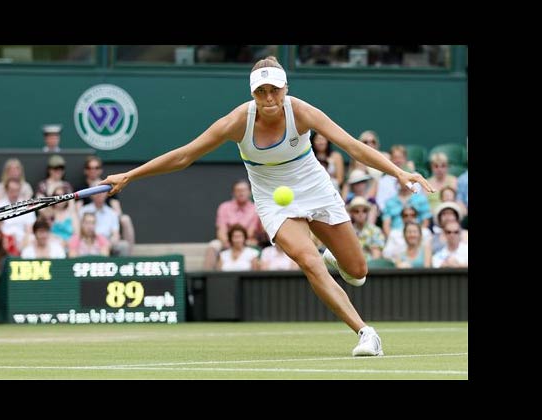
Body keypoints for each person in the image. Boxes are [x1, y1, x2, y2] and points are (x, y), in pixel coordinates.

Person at [98, 56, 435, 357]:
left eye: (275, 90)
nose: (270, 98)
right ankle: (366, 333)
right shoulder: (236, 122)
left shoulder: (301, 111)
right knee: (307, 259)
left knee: (358, 272)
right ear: (253, 94)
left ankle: (336, 256)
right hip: (274, 202)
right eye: (262, 92)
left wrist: (399, 171)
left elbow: (351, 145)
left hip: (316, 189)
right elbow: (185, 155)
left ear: (285, 88)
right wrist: (131, 175)